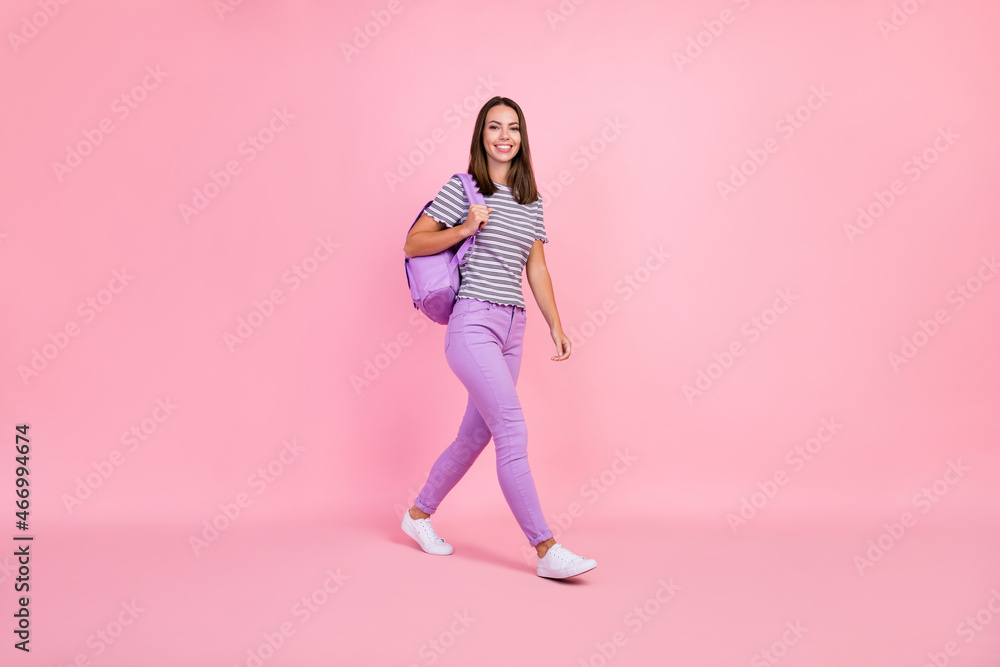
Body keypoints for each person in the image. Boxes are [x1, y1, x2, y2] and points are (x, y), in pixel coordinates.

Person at [400, 96, 597, 579]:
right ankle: (547, 550)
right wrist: (466, 225)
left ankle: (418, 515)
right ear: (481, 136)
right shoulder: (464, 189)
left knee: (475, 436)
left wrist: (556, 325)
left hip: (514, 328)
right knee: (512, 430)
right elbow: (413, 242)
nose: (504, 136)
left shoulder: (532, 201)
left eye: (512, 128)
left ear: (522, 138)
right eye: (494, 127)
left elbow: (537, 268)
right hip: (473, 324)